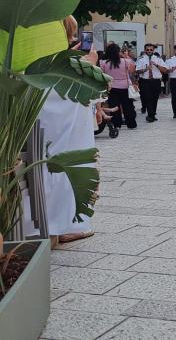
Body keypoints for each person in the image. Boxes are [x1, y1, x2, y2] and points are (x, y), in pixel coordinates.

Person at [40, 16, 97, 244]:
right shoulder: (64, 66)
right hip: (63, 137)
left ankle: (55, 226)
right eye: (71, 35)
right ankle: (59, 226)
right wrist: (89, 67)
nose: (73, 40)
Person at [99, 43, 137, 129]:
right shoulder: (125, 61)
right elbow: (132, 71)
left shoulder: (103, 63)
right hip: (125, 87)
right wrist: (126, 56)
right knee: (128, 106)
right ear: (118, 52)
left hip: (111, 87)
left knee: (114, 106)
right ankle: (131, 124)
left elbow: (102, 75)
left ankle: (116, 124)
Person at [135, 43, 168, 122]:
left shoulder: (158, 58)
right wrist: (145, 69)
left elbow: (165, 70)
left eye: (151, 49)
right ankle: (150, 116)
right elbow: (137, 71)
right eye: (147, 49)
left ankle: (152, 114)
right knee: (148, 98)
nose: (149, 51)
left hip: (156, 81)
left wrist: (156, 65)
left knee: (155, 98)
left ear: (153, 50)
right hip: (145, 81)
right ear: (145, 50)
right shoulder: (141, 59)